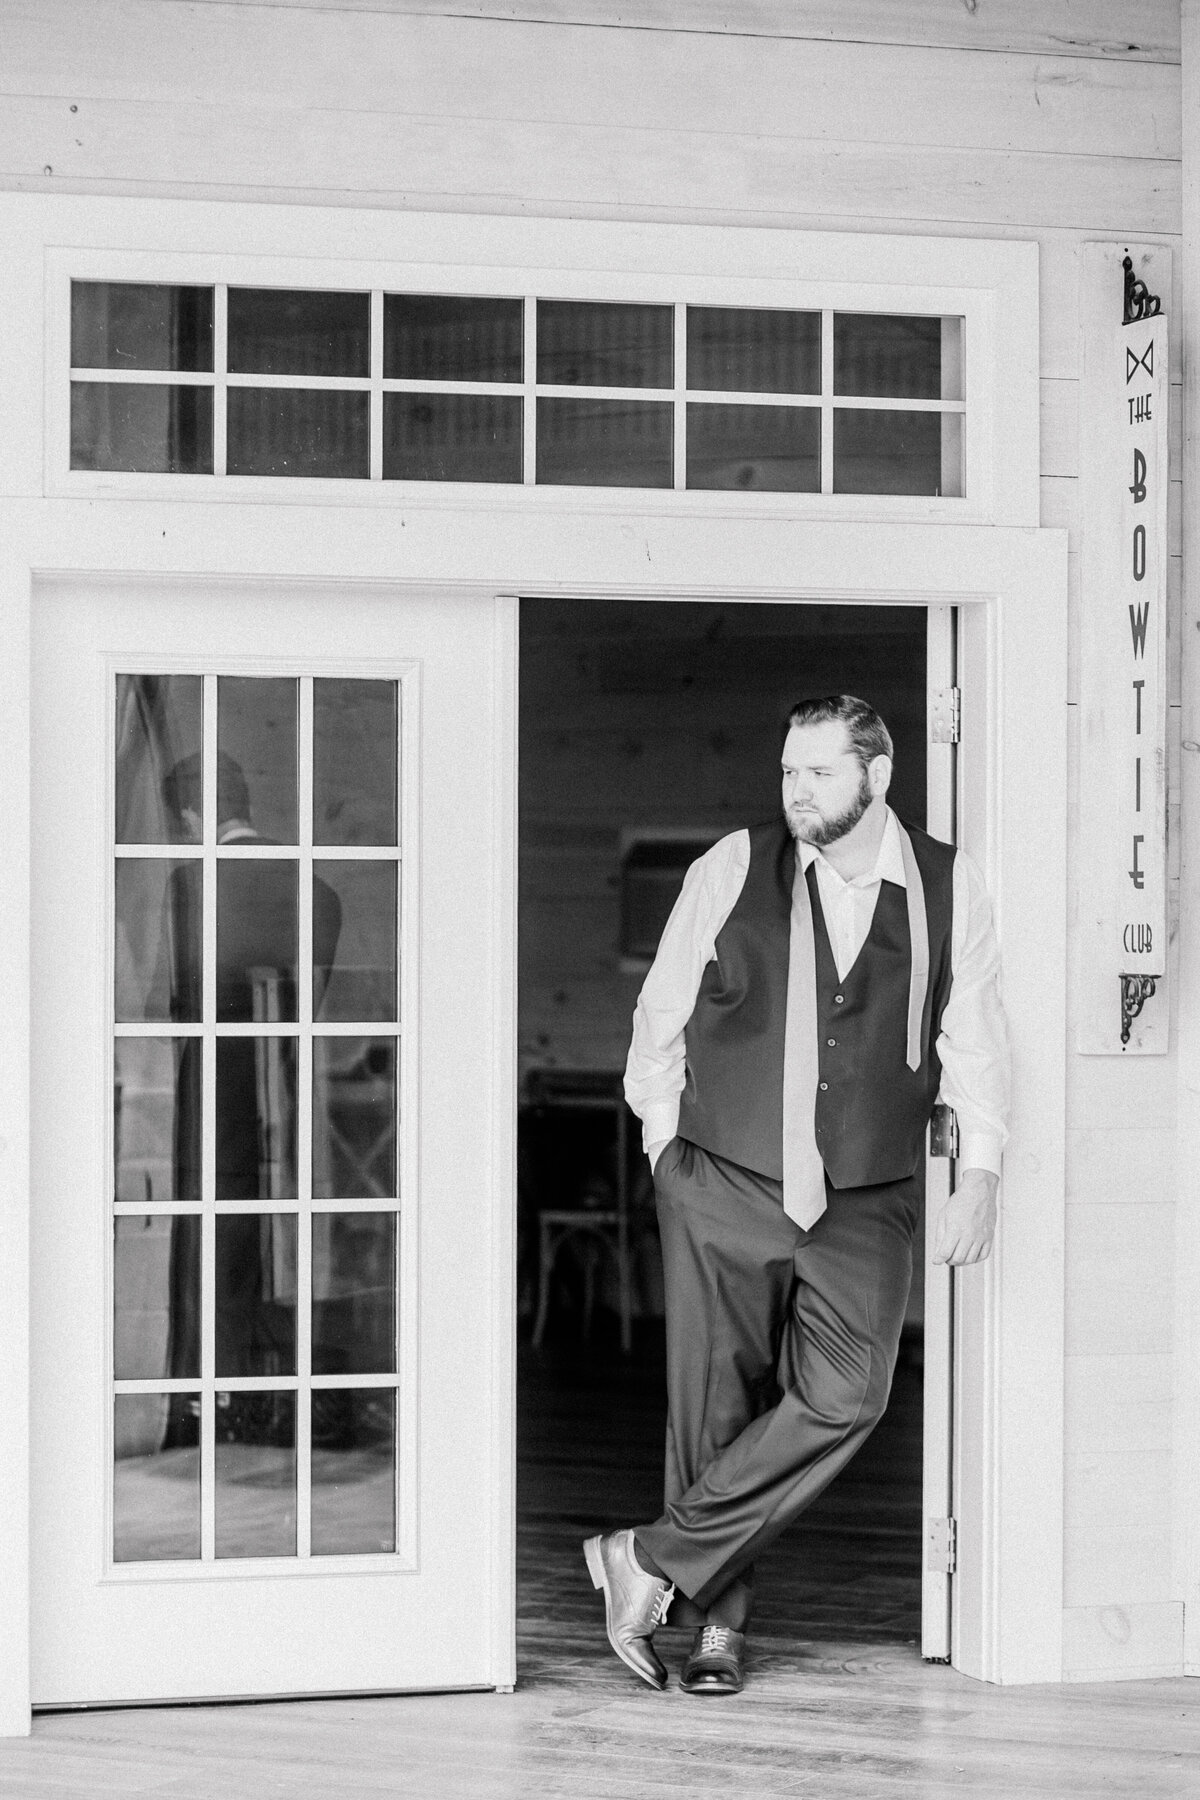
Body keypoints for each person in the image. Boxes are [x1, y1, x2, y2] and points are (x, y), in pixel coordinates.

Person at [584, 694, 1009, 1695]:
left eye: (819, 771)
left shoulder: (950, 885)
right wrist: (663, 1151)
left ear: (878, 773)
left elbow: (976, 1036)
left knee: (850, 1396)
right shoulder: (733, 864)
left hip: (870, 1191)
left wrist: (981, 1171)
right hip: (721, 1174)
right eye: (789, 772)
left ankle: (646, 1560)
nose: (797, 790)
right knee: (713, 1405)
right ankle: (713, 1631)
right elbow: (663, 1007)